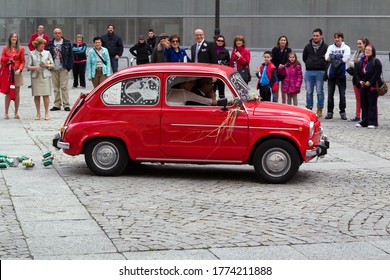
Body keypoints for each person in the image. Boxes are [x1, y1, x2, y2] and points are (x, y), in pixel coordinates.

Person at [324, 32, 351, 120]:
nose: (337, 39)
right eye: (335, 37)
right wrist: (337, 57)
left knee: (342, 94)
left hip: (341, 74)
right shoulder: (330, 47)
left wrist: (333, 57)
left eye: (338, 37)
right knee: (330, 94)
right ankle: (329, 112)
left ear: (342, 38)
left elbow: (345, 59)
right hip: (332, 74)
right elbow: (327, 58)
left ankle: (342, 112)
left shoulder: (346, 48)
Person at [302, 28, 328, 117]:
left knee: (320, 91)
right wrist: (309, 64)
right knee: (309, 91)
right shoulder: (308, 46)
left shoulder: (325, 47)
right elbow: (304, 58)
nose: (315, 37)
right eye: (314, 36)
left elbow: (327, 60)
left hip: (320, 72)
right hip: (309, 72)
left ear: (321, 36)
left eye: (317, 36)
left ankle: (320, 108)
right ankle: (309, 108)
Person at [46, 28, 73, 111]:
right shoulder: (50, 44)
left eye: (59, 33)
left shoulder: (67, 43)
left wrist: (69, 67)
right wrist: (48, 66)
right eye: (55, 33)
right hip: (53, 68)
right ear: (53, 34)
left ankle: (66, 104)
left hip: (63, 68)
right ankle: (57, 104)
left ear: (61, 34)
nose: (57, 34)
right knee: (56, 88)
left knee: (64, 87)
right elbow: (47, 56)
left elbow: (71, 55)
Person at [27, 37, 54, 120]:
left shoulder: (47, 53)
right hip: (36, 77)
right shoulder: (31, 53)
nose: (43, 45)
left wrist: (47, 65)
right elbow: (28, 66)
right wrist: (34, 67)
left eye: (44, 44)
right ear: (37, 45)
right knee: (37, 95)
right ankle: (38, 113)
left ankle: (46, 113)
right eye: (41, 44)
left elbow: (52, 65)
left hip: (45, 76)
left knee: (46, 95)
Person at [356, 45, 382, 129]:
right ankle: (364, 121)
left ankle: (373, 122)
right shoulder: (361, 61)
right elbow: (357, 73)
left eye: (369, 50)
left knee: (372, 104)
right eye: (366, 50)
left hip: (372, 86)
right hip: (363, 86)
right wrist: (359, 80)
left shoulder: (376, 61)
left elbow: (377, 74)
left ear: (372, 52)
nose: (367, 51)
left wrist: (370, 82)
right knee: (364, 104)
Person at [1, 32, 25, 119]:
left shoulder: (21, 49)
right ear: (9, 38)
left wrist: (20, 69)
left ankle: (16, 112)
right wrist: (8, 61)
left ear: (17, 38)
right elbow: (2, 60)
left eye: (15, 37)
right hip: (8, 72)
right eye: (12, 37)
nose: (14, 38)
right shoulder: (5, 48)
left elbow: (23, 61)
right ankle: (6, 112)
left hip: (17, 72)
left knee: (17, 92)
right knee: (8, 92)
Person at [348, 37, 370, 122]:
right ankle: (357, 116)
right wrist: (357, 64)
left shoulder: (367, 53)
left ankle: (366, 116)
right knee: (358, 98)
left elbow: (365, 65)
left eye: (360, 44)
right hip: (356, 78)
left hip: (364, 79)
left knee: (365, 98)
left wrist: (357, 64)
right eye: (357, 44)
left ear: (364, 44)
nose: (358, 45)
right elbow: (351, 62)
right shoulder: (357, 53)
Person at [271, 35, 292, 103]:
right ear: (279, 41)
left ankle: (283, 103)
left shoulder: (288, 50)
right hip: (276, 71)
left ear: (286, 42)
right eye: (281, 40)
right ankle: (276, 103)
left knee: (284, 89)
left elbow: (290, 60)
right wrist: (276, 67)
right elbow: (272, 60)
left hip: (284, 71)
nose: (283, 41)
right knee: (276, 88)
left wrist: (284, 66)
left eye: (284, 40)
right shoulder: (274, 49)